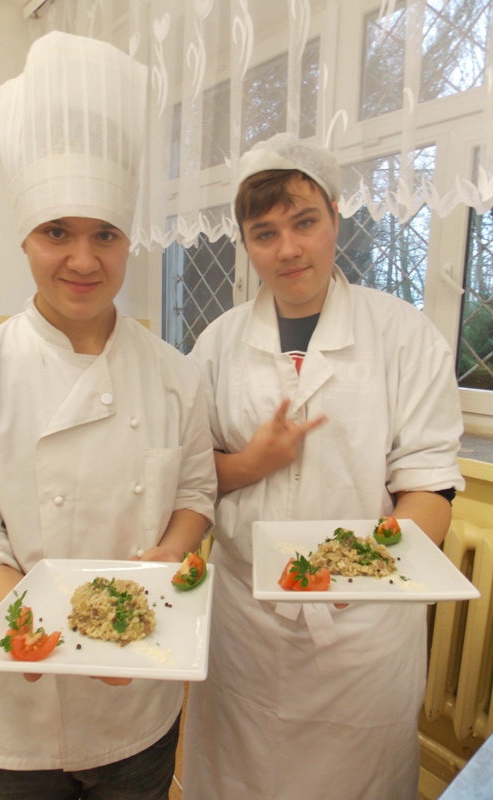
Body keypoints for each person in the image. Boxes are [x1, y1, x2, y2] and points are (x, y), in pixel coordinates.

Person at [0, 31, 216, 800]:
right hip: (20, 707)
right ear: (24, 237)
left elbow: (196, 491)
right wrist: (64, 636)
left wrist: (168, 555)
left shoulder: (178, 375)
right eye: (57, 232)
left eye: (104, 235)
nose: (83, 260)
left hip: (141, 700)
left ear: (128, 243)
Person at [181, 133, 465, 800]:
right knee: (240, 778)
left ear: (336, 216)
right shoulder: (217, 345)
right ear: (245, 243)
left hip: (363, 626)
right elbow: (192, 477)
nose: (287, 249)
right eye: (264, 233)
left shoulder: (404, 336)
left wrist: (365, 570)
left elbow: (429, 484)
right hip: (246, 620)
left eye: (305, 222)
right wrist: (251, 463)